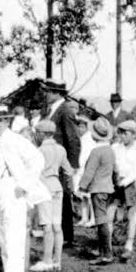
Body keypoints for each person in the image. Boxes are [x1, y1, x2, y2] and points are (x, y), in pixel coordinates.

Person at [0, 105, 49, 272]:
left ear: (7, 121)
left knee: (14, 237)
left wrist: (25, 184)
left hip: (12, 189)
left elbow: (37, 159)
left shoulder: (14, 139)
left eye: (0, 121)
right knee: (4, 239)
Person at [44, 80, 81, 251]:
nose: (46, 94)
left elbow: (73, 138)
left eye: (49, 91)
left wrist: (72, 166)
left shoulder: (65, 110)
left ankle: (67, 236)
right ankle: (59, 232)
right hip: (53, 161)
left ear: (57, 93)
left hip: (61, 162)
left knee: (64, 198)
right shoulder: (52, 110)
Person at [32, 120, 72, 272]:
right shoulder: (61, 149)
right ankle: (57, 260)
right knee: (57, 225)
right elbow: (68, 170)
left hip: (44, 187)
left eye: (37, 133)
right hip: (57, 186)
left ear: (42, 134)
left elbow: (35, 172)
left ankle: (47, 260)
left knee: (47, 226)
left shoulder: (39, 151)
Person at [78, 118, 117, 265]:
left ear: (95, 136)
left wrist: (81, 187)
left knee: (101, 222)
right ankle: (103, 251)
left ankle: (106, 254)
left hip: (98, 189)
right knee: (104, 220)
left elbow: (89, 172)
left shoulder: (96, 151)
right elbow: (116, 170)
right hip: (108, 188)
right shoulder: (110, 150)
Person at [112, 119, 136, 261]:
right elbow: (114, 164)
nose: (122, 136)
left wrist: (125, 182)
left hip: (130, 183)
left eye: (125, 133)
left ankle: (129, 244)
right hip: (117, 181)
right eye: (120, 133)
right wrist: (116, 179)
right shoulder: (116, 147)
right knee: (113, 210)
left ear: (133, 134)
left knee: (131, 213)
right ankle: (111, 239)